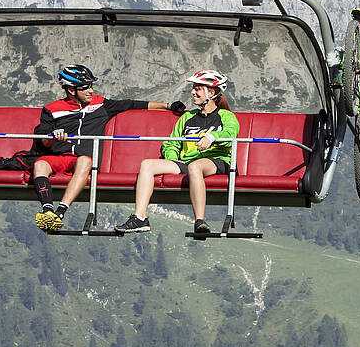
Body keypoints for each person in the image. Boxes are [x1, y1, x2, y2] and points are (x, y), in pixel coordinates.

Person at [29, 65, 183, 233]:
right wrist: (52, 137)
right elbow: (43, 140)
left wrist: (167, 106)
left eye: (91, 86)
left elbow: (131, 104)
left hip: (82, 160)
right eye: (85, 87)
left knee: (85, 161)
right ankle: (47, 210)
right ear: (71, 90)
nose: (90, 90)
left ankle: (60, 213)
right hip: (60, 156)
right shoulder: (52, 109)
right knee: (40, 165)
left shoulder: (100, 104)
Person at [116, 70, 239, 235]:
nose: (193, 92)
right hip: (188, 163)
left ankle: (200, 221)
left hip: (217, 160)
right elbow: (172, 143)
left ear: (211, 92)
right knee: (147, 165)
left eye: (197, 88)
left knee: (195, 167)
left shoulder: (226, 116)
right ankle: (140, 218)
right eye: (193, 88)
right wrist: (174, 160)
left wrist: (212, 137)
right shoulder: (188, 117)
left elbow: (231, 133)